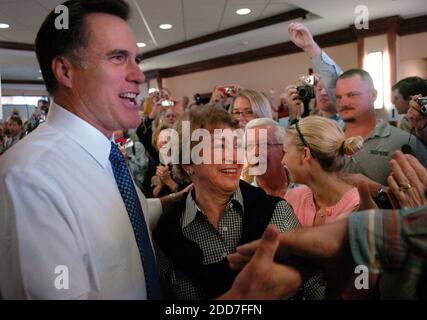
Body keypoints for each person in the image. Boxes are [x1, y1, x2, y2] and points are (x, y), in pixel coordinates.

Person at [0, 0, 167, 299]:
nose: (139, 75)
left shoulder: (106, 155)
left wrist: (181, 200)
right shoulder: (30, 179)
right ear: (66, 71)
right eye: (118, 57)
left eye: (136, 59)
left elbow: (123, 216)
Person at [153, 107, 324, 300]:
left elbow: (313, 289)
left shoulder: (275, 212)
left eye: (237, 146)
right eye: (219, 147)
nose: (235, 158)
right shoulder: (168, 232)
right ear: (188, 163)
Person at [336, 69, 427, 186]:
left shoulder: (403, 142)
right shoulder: (327, 141)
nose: (343, 103)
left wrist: (379, 191)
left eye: (352, 95)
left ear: (373, 95)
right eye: (338, 97)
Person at [283, 116, 363, 226]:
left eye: (285, 152)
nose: (282, 161)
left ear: (305, 154)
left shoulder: (357, 207)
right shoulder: (292, 198)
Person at [244, 118, 289, 198]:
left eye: (264, 144)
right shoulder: (245, 198)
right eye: (250, 146)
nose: (256, 152)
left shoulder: (305, 184)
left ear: (283, 150)